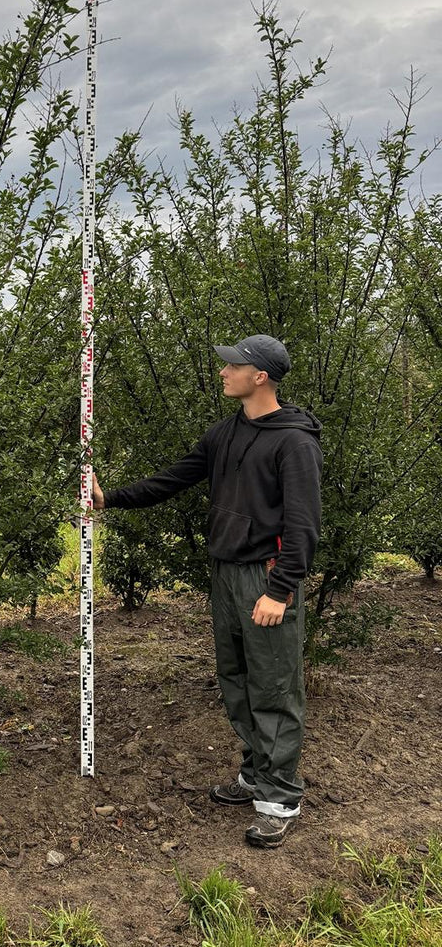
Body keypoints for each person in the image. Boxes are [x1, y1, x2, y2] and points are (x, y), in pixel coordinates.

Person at [92, 335, 322, 849]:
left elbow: (304, 525)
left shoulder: (294, 442)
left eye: (232, 365)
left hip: (266, 579)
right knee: (236, 677)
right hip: (225, 574)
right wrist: (111, 500)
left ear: (259, 375)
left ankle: (280, 798)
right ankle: (254, 773)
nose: (223, 371)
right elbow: (175, 479)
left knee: (275, 687)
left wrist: (280, 591)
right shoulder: (225, 433)